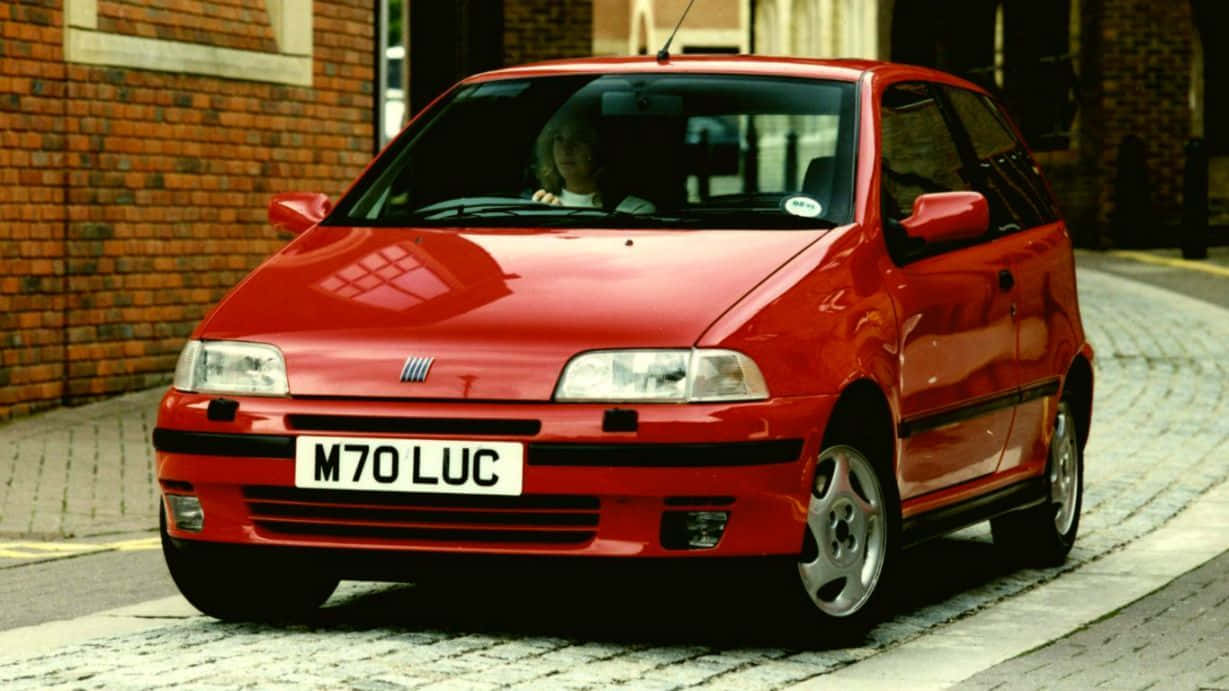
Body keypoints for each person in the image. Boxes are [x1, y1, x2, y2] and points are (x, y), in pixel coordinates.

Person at [531, 111, 655, 214]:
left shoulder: (633, 210)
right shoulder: (537, 205)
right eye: (559, 138)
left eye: (578, 138)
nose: (566, 149)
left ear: (598, 148)